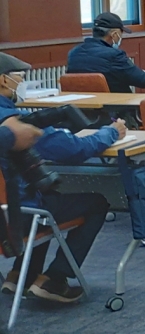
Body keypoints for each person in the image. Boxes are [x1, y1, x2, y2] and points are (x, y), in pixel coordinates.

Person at [0, 52, 120, 303]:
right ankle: (55, 279)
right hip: (16, 216)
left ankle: (21, 274)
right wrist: (111, 132)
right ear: (3, 80)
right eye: (19, 77)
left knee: (47, 197)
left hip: (7, 214)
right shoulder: (15, 127)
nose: (22, 83)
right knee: (95, 203)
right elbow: (74, 149)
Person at [67, 12, 145, 93]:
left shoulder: (73, 53)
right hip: (117, 107)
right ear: (114, 35)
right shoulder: (114, 56)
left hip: (82, 108)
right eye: (121, 34)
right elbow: (143, 80)